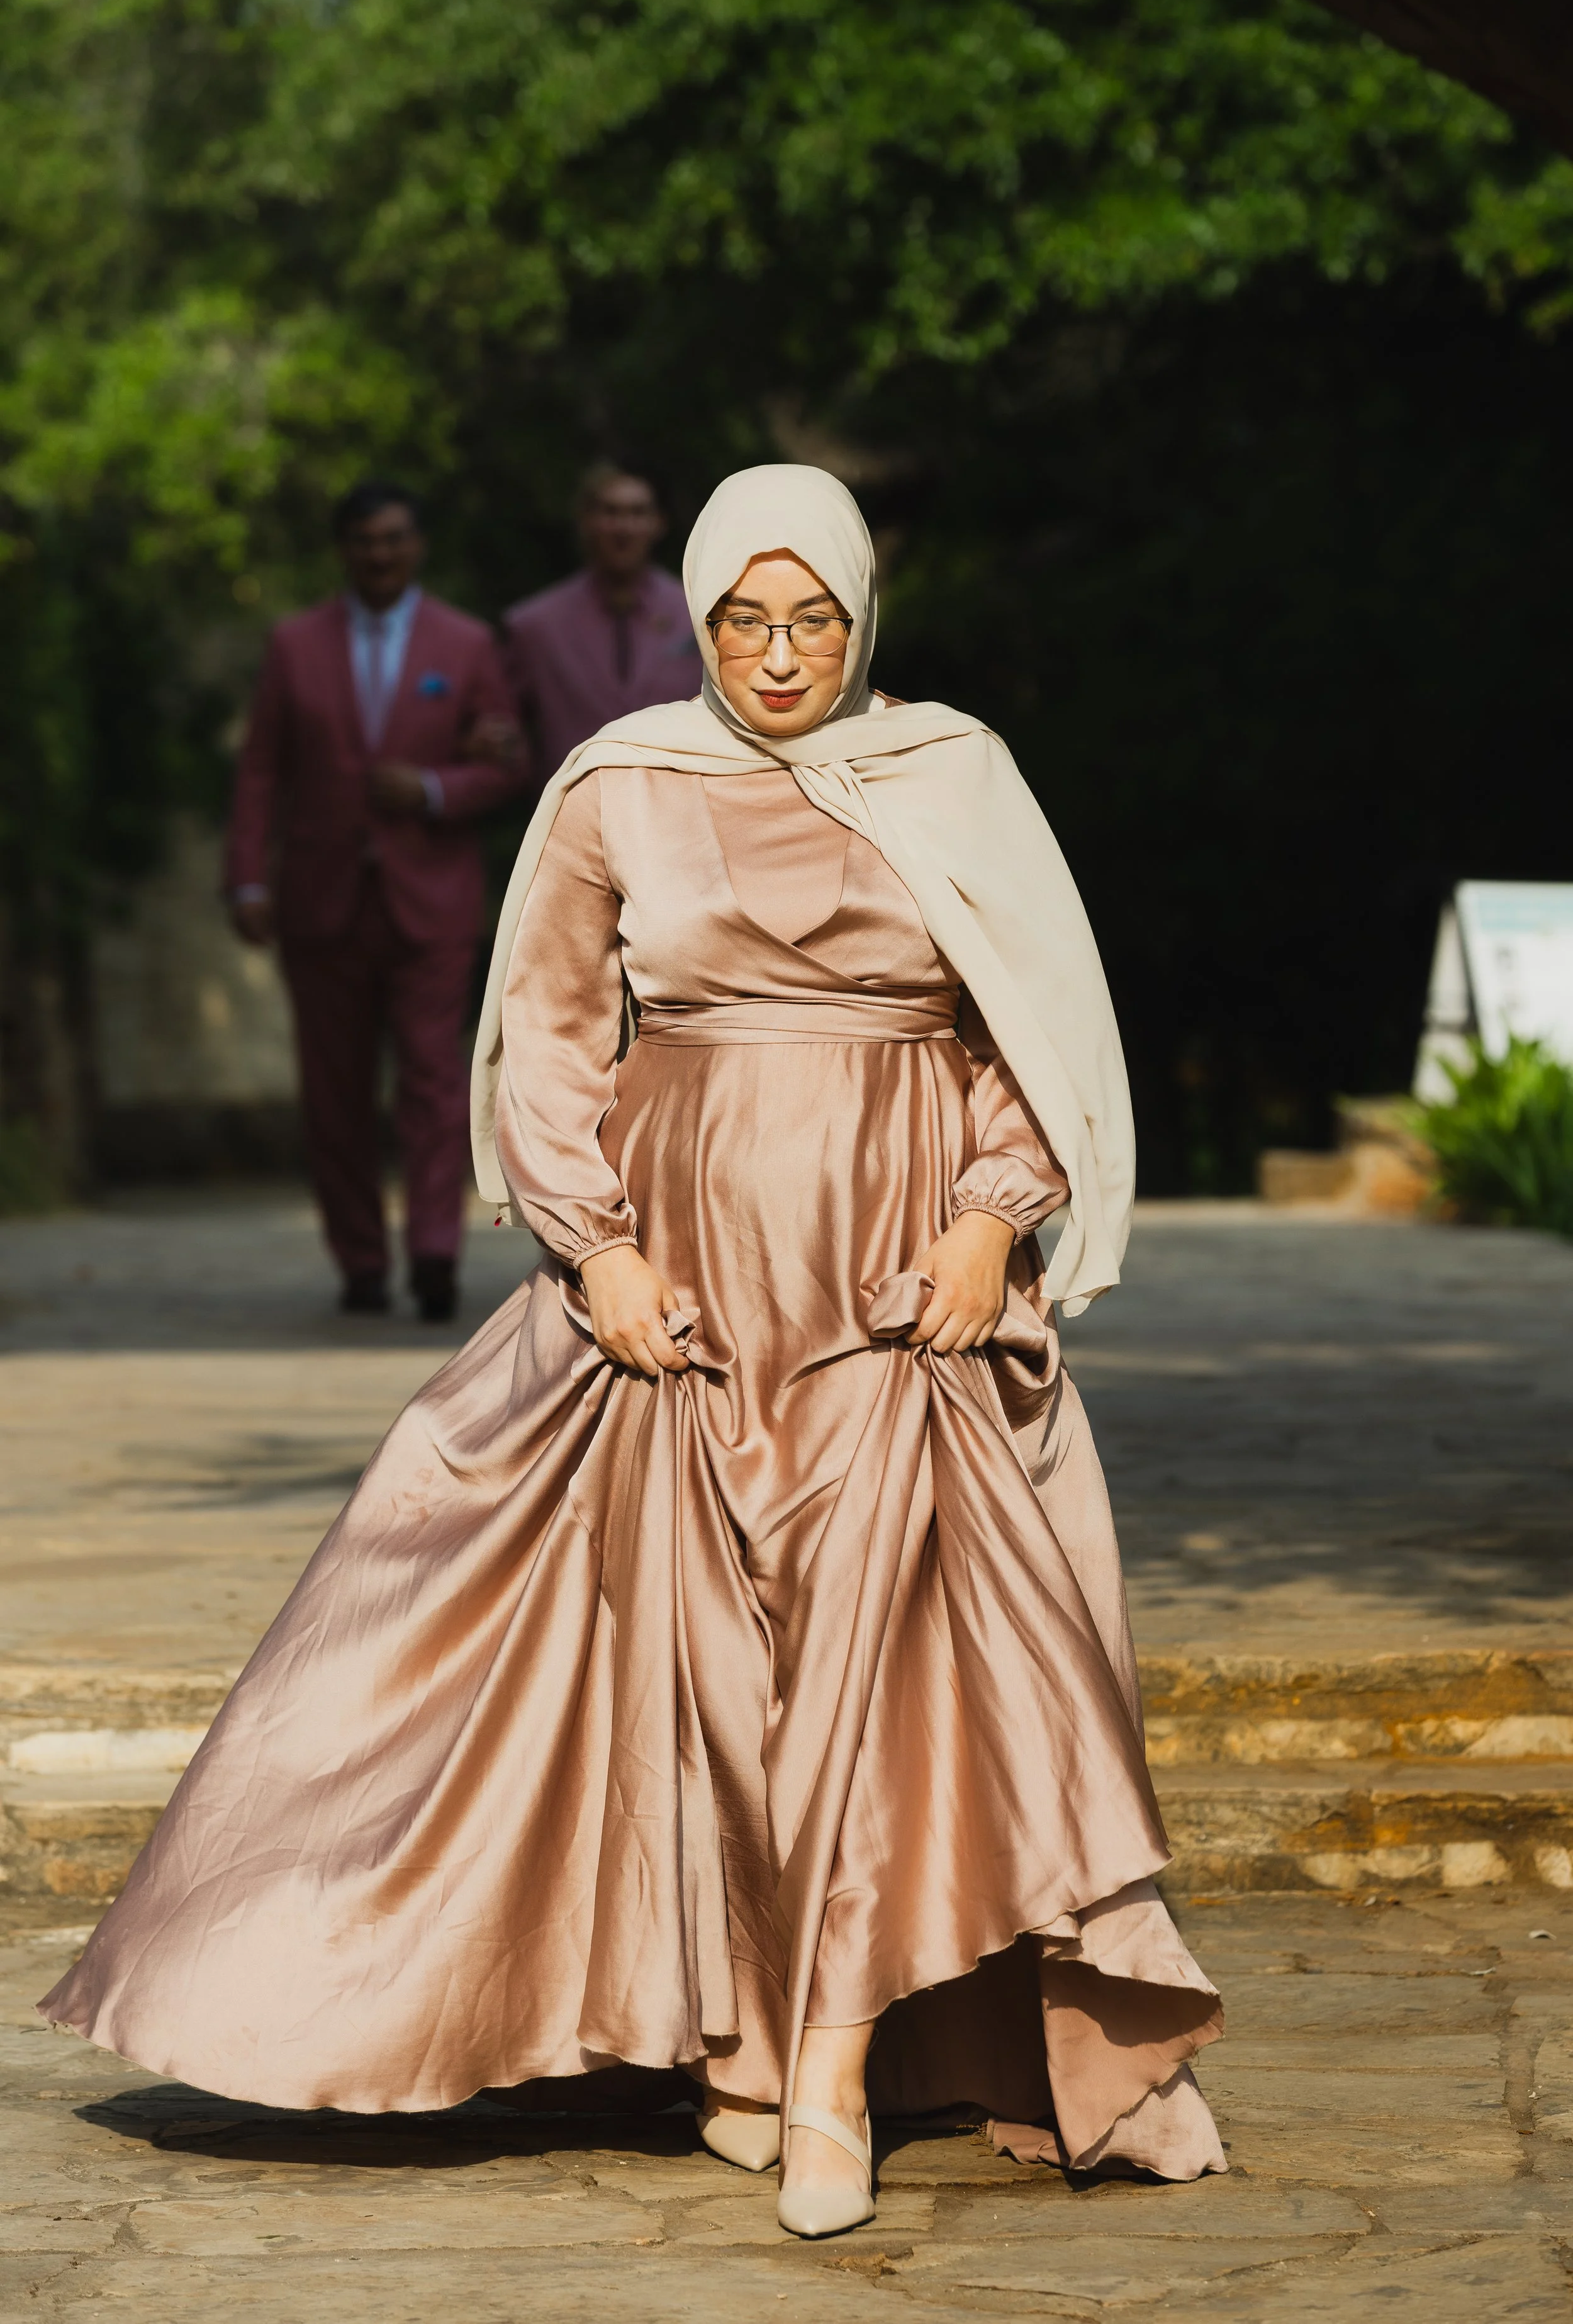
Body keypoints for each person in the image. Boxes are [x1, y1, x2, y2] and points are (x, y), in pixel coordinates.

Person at [45, 466, 1225, 2239]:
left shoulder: (949, 771)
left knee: (864, 1658)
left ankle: (825, 2062)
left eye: (810, 617)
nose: (775, 653)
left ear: (861, 611)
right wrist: (592, 1250)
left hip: (892, 1269)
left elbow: (1025, 1019)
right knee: (687, 1667)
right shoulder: (619, 779)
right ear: (695, 613)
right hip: (679, 1276)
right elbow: (547, 1027)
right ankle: (736, 2048)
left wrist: (990, 1217)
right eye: (742, 618)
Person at [225, 481, 523, 1321]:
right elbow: (260, 770)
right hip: (320, 901)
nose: (380, 553)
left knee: (433, 1084)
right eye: (364, 540)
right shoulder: (293, 644)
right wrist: (246, 876)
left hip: (430, 901)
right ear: (344, 549)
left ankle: (434, 1251)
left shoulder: (465, 642)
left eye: (394, 538)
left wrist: (431, 787)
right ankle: (360, 1259)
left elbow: (506, 761)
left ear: (416, 544)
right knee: (336, 1093)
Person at [503, 462, 703, 783]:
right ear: (586, 522)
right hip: (570, 814)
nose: (623, 528)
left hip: (683, 811)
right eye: (610, 512)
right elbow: (507, 736)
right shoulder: (535, 627)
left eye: (637, 513)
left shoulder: (697, 614)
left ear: (658, 524)